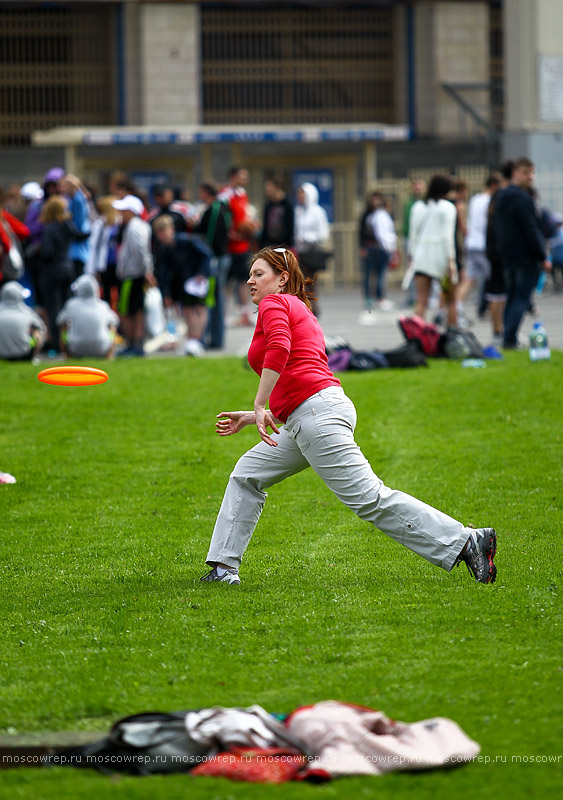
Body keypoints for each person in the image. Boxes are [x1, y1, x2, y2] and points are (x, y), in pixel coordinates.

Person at [200, 246, 497, 586]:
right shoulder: (298, 307)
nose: (250, 281)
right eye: (250, 274)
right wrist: (257, 415)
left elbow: (280, 349)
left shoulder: (273, 303)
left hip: (316, 418)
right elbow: (301, 374)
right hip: (312, 415)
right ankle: (223, 569)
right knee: (247, 474)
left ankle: (466, 541)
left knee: (370, 499)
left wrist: (259, 402)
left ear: (282, 279)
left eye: (258, 274)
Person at [492, 157, 546, 349]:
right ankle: (510, 338)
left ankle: (507, 335)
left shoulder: (501, 197)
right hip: (524, 256)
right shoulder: (522, 199)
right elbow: (531, 230)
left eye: (532, 172)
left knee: (513, 296)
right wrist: (541, 255)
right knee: (521, 298)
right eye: (526, 172)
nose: (530, 177)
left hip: (508, 255)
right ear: (515, 173)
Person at [152, 214, 213, 356]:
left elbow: (206, 255)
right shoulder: (164, 249)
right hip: (183, 283)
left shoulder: (188, 241)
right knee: (187, 311)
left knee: (199, 309)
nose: (162, 236)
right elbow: (164, 272)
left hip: (197, 281)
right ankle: (192, 339)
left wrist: (201, 273)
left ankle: (196, 339)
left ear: (171, 229)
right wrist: (166, 293)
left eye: (164, 231)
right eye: (159, 233)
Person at [39, 194, 88, 352]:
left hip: (52, 271)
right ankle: (69, 342)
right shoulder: (67, 225)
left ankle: (57, 345)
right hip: (68, 269)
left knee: (54, 308)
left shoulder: (49, 228)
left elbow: (48, 252)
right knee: (68, 307)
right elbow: (81, 235)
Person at [408, 175, 458, 326]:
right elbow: (447, 236)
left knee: (421, 300)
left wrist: (411, 256)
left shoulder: (417, 206)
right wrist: (450, 260)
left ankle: (416, 338)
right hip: (441, 256)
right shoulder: (448, 207)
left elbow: (413, 234)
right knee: (450, 300)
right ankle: (452, 335)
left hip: (421, 255)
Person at [113, 194, 155, 356]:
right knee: (136, 311)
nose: (121, 213)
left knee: (127, 311)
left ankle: (133, 345)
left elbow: (141, 251)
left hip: (132, 275)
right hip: (136, 274)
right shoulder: (138, 226)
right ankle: (136, 345)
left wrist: (147, 271)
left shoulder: (133, 227)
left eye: (124, 210)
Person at [457, 174, 502, 321]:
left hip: (471, 243)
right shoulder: (490, 201)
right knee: (491, 279)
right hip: (484, 244)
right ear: (495, 185)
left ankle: (456, 307)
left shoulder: (475, 199)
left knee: (470, 279)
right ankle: (490, 309)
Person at [218, 166, 257, 327]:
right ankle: (223, 314)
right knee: (226, 283)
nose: (245, 179)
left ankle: (244, 314)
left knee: (244, 281)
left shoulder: (242, 194)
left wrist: (250, 225)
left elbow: (244, 216)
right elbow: (223, 218)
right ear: (233, 176)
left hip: (243, 245)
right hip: (229, 247)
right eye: (242, 176)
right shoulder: (224, 196)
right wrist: (230, 233)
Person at [196, 182, 231, 349]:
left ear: (206, 192)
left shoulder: (214, 209)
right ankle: (215, 338)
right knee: (217, 298)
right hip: (222, 256)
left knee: (211, 298)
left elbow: (208, 237)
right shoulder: (223, 207)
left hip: (215, 258)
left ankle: (213, 337)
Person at [56, 274, 119, 359]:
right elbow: (116, 321)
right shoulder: (103, 305)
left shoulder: (71, 304)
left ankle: (67, 356)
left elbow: (59, 321)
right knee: (112, 327)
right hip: (101, 349)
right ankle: (109, 356)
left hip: (76, 348)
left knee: (64, 326)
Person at [358, 191, 397, 316]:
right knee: (372, 274)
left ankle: (377, 297)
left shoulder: (375, 215)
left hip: (377, 247)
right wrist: (389, 247)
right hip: (374, 248)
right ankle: (372, 297)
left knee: (377, 274)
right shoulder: (374, 216)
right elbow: (380, 234)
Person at [294, 182, 330, 317]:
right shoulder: (298, 211)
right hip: (300, 252)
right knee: (300, 281)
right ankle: (305, 306)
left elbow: (323, 233)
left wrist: (308, 238)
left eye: (302, 193)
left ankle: (313, 307)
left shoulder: (317, 212)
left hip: (312, 252)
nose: (300, 196)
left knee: (310, 281)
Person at [0, 280, 45, 360]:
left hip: (1, 355)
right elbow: (42, 328)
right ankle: (33, 357)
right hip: (24, 354)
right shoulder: (27, 312)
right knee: (36, 332)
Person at [260, 177, 294, 248]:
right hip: (269, 244)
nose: (266, 189)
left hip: (284, 245)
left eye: (269, 186)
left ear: (277, 187)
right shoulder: (268, 205)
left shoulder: (287, 205)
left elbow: (290, 228)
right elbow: (265, 226)